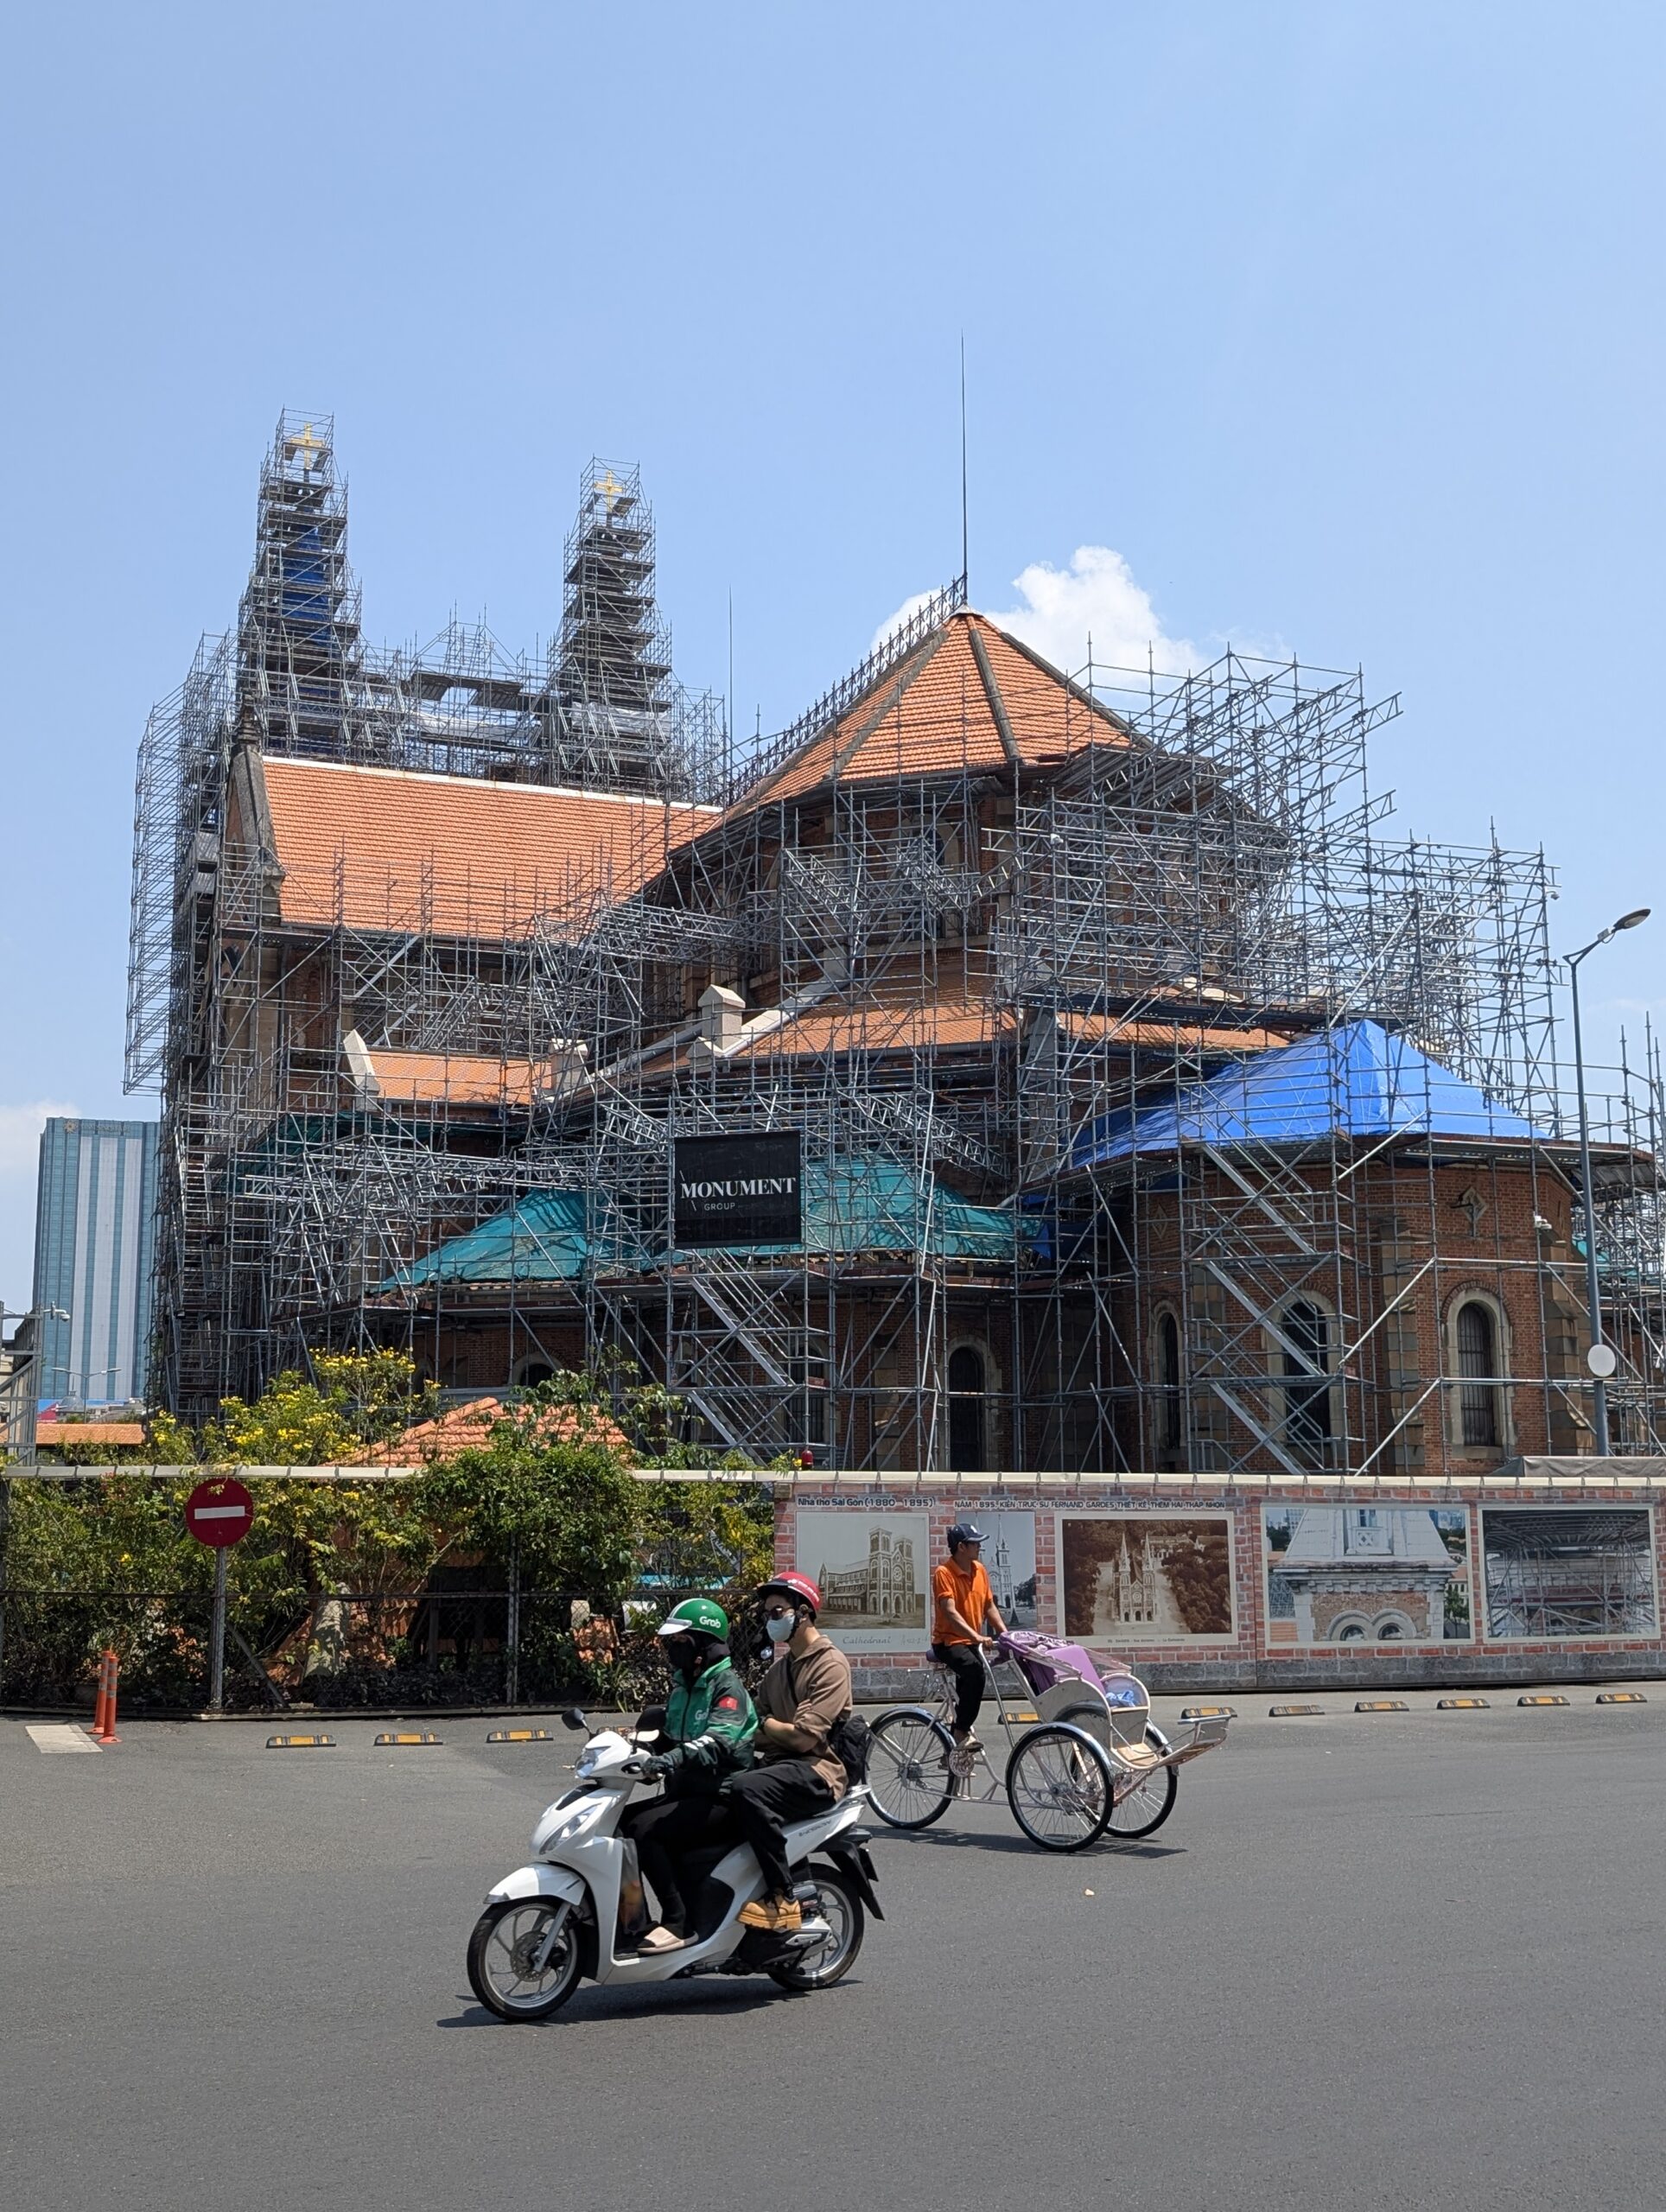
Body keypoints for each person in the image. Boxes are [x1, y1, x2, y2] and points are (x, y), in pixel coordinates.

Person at [621, 1598, 757, 1953]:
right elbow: (668, 1736)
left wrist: (670, 1759)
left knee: (646, 1831)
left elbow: (717, 1742)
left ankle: (678, 1923)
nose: (673, 1648)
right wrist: (636, 1751)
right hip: (687, 1790)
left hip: (721, 1795)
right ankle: (632, 1919)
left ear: (704, 1645)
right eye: (672, 1641)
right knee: (620, 1823)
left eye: (681, 1640)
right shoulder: (682, 1685)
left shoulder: (727, 1687)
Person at [719, 1572, 852, 1935]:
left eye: (777, 1612)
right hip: (782, 1766)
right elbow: (751, 1725)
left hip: (818, 1772)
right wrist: (768, 1730)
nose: (770, 1620)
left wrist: (768, 1726)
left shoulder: (830, 1665)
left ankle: (784, 1897)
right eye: (767, 1614)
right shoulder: (779, 1670)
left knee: (748, 1790)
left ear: (804, 1613)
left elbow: (804, 1739)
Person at [931, 1520, 1007, 1749]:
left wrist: (1005, 1635)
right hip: (948, 1642)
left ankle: (952, 1752)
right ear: (961, 1547)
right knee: (975, 1673)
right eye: (974, 1543)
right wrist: (977, 1637)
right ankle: (961, 1731)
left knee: (968, 1688)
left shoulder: (980, 1570)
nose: (979, 1546)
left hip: (970, 1643)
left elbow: (989, 1606)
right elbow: (950, 1612)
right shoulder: (944, 1573)